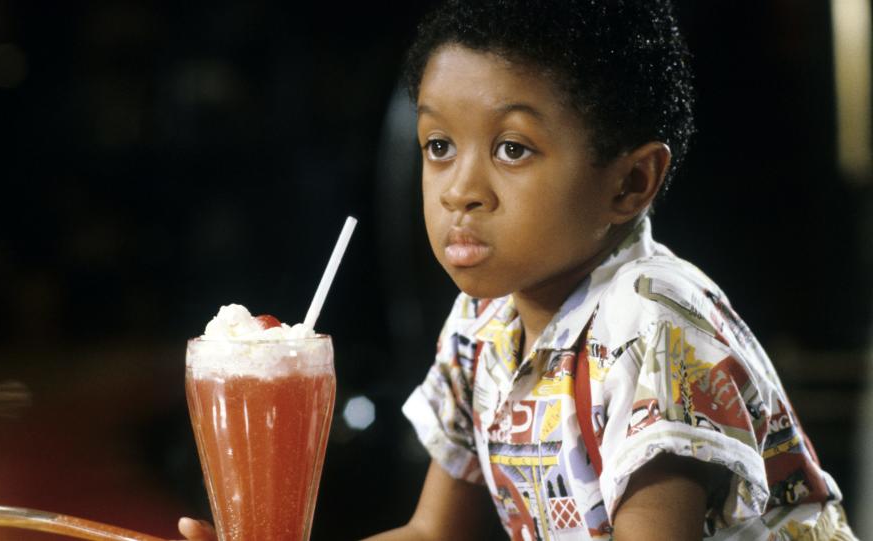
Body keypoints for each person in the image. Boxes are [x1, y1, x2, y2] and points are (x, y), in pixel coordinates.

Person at [178, 1, 857, 539]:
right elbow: (432, 531)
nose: (459, 190)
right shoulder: (485, 318)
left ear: (631, 182)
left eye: (511, 147)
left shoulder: (653, 329)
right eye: (439, 145)